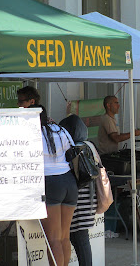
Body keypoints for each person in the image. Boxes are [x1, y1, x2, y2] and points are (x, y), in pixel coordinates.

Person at [30, 104, 78, 266]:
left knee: (53, 240)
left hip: (50, 182)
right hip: (69, 182)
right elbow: (72, 149)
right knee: (65, 237)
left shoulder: (33, 133)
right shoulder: (60, 130)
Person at [60, 114, 97, 266]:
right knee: (80, 240)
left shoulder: (70, 149)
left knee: (80, 241)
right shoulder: (90, 146)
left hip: (77, 204)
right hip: (88, 201)